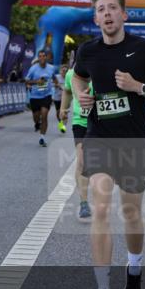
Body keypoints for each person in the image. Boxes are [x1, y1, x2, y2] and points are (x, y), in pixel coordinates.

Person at [71, 0, 145, 289]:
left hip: (133, 143)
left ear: (124, 15)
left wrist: (137, 87)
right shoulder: (87, 51)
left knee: (131, 213)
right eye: (101, 9)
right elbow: (76, 77)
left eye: (113, 8)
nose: (107, 14)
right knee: (100, 208)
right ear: (96, 18)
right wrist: (82, 96)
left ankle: (134, 267)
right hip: (99, 137)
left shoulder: (144, 50)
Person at [59, 67, 92, 222]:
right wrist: (63, 108)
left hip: (102, 121)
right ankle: (84, 202)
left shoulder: (103, 68)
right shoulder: (71, 74)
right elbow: (66, 91)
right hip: (81, 122)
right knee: (83, 161)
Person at [25, 50, 57, 147]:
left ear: (47, 57)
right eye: (40, 56)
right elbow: (26, 81)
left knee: (44, 115)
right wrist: (36, 82)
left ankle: (42, 138)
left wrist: (56, 84)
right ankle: (36, 123)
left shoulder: (51, 68)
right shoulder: (33, 69)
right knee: (36, 116)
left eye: (44, 56)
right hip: (35, 96)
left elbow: (54, 77)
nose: (42, 58)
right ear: (38, 58)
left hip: (46, 95)